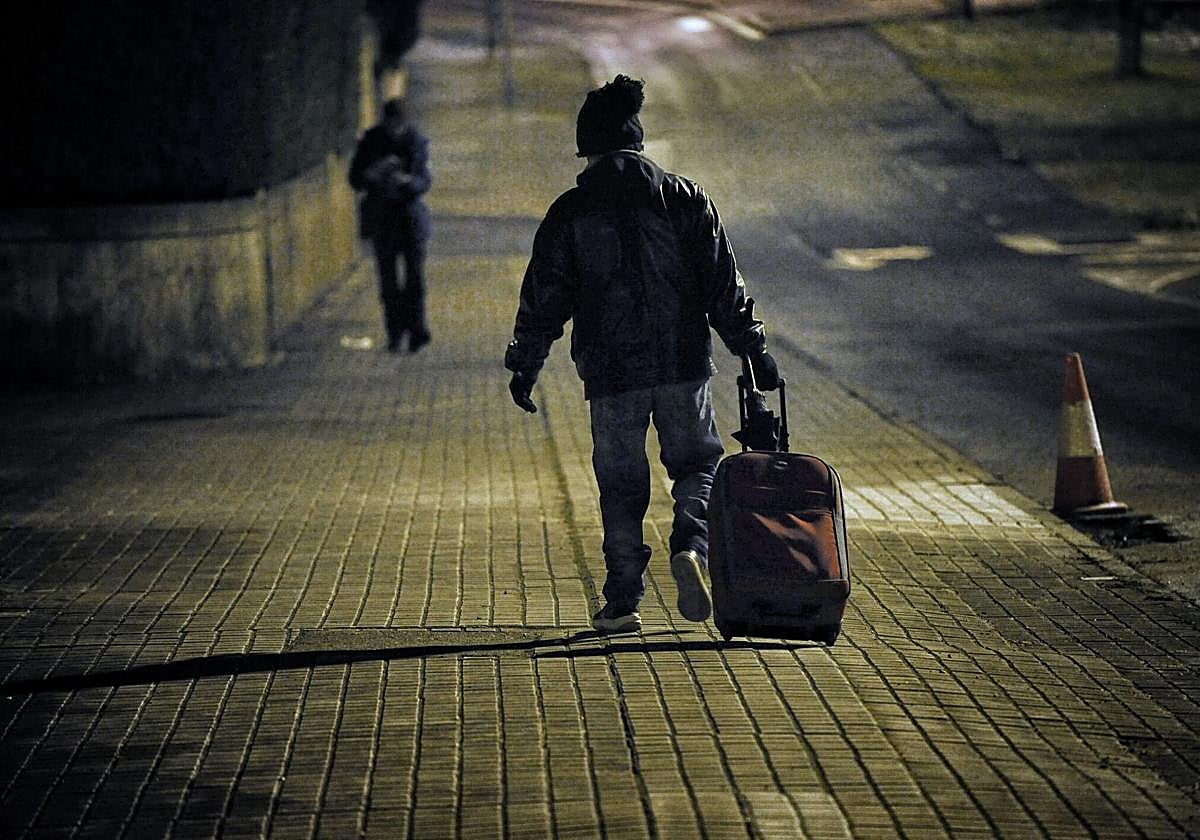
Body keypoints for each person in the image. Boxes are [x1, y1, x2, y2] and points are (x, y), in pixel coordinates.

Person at [504, 74, 780, 633]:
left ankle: (624, 600)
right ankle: (691, 545)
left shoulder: (570, 212)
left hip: (611, 373)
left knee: (621, 483)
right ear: (637, 140)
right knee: (699, 464)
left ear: (588, 148)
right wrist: (753, 349)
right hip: (682, 362)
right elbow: (722, 284)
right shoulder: (683, 197)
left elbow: (544, 297)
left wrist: (526, 364)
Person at [349, 97, 433, 353]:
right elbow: (356, 179)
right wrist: (376, 172)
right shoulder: (371, 141)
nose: (396, 128)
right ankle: (395, 333)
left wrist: (408, 182)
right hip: (383, 219)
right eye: (392, 123)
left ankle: (417, 332)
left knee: (414, 280)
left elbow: (424, 179)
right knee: (388, 282)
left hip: (410, 218)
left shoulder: (416, 141)